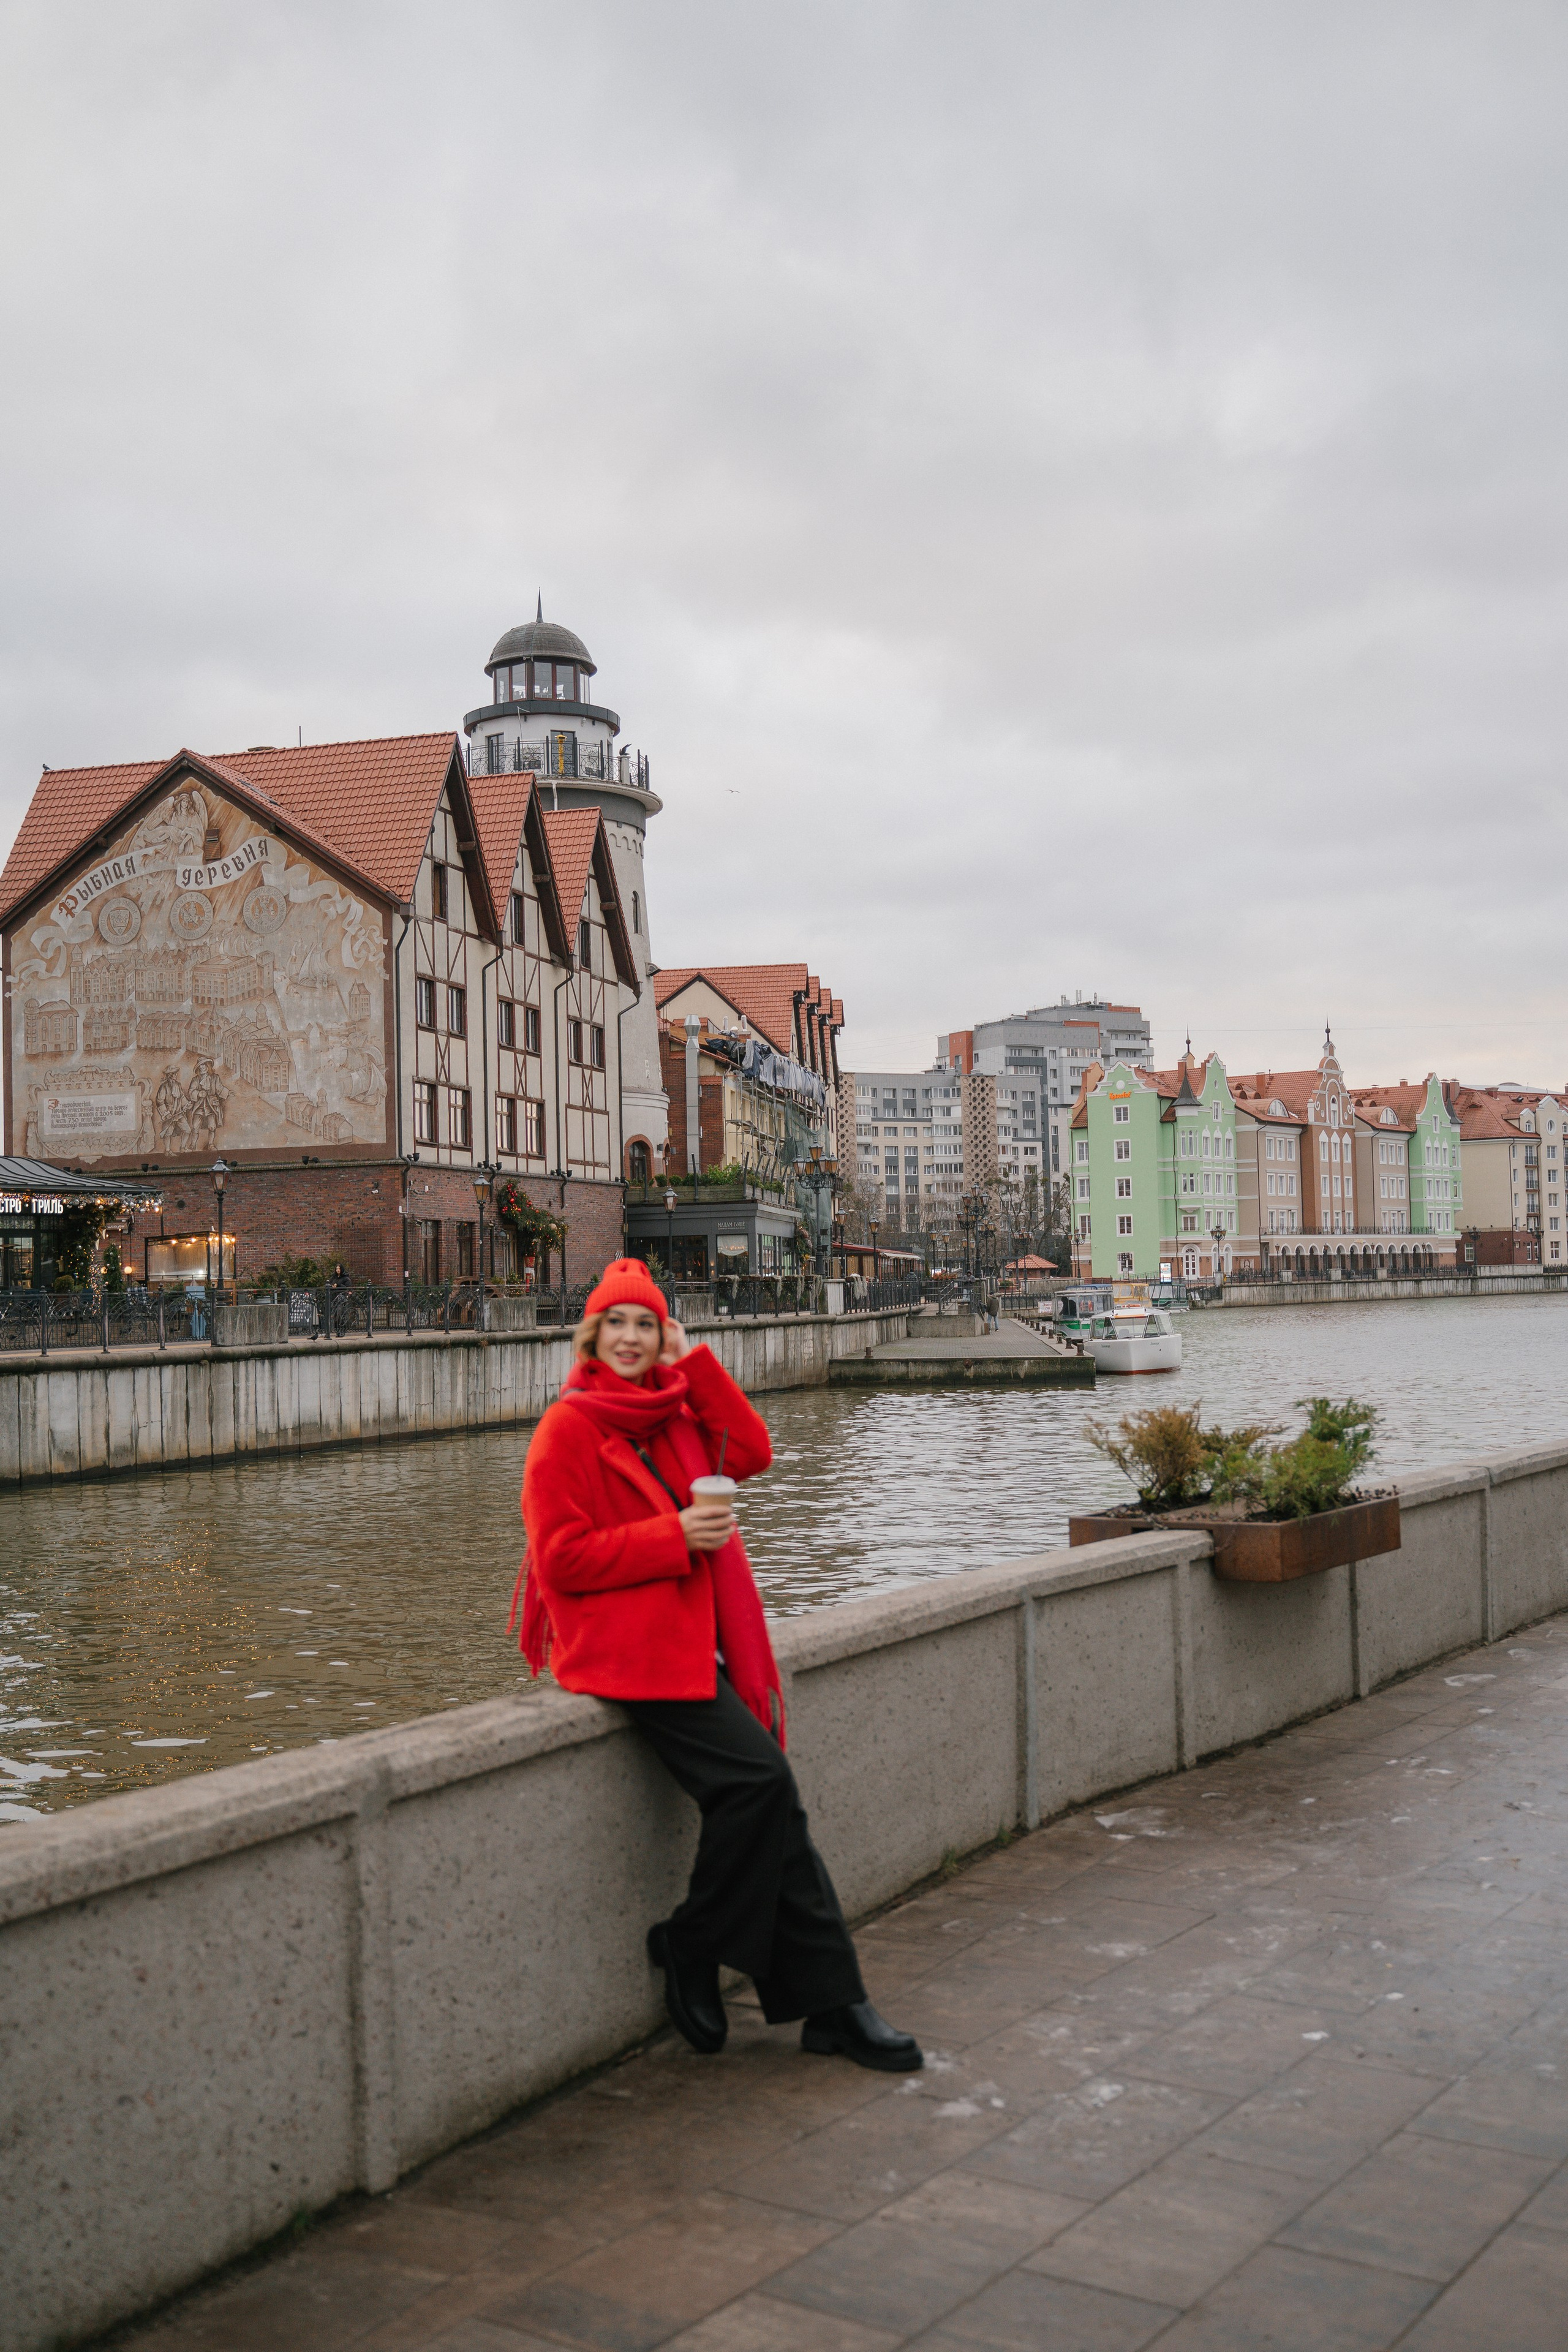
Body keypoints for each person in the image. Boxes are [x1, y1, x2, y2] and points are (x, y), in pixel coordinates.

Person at [517, 1258, 922, 2072]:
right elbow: (558, 1561)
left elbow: (755, 1451)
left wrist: (695, 1362)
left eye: (647, 1324)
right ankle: (693, 1942)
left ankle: (835, 2006)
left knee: (779, 1814)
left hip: (695, 1645)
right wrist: (674, 1541)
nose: (631, 1339)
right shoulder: (570, 1428)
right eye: (617, 1324)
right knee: (762, 1786)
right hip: (626, 1653)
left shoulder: (672, 1415)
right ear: (591, 1335)